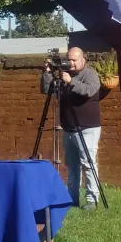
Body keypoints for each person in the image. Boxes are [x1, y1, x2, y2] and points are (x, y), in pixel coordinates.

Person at [40, 47, 102, 210]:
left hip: (87, 127)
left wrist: (70, 81)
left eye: (75, 60)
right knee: (72, 165)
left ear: (83, 59)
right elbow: (47, 90)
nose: (71, 63)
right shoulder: (64, 74)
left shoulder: (90, 75)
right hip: (68, 127)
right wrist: (47, 73)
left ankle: (92, 199)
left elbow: (89, 91)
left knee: (88, 163)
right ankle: (72, 198)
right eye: (69, 59)